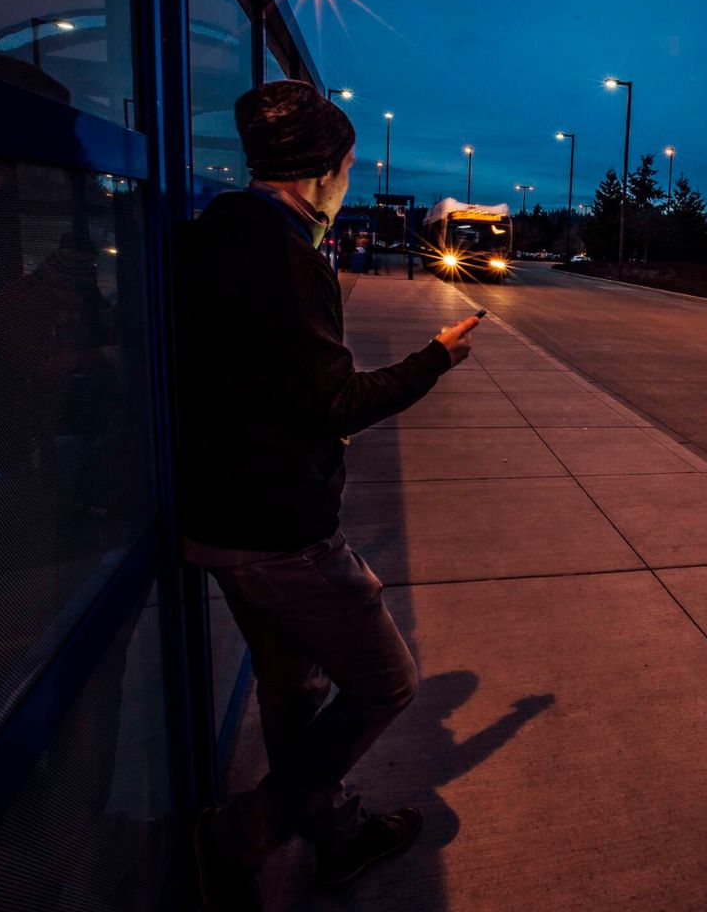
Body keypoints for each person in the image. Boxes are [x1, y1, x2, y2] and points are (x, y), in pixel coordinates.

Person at [174, 79, 480, 908]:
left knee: (292, 691)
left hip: (214, 521)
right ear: (319, 174)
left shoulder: (208, 238)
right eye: (346, 167)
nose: (348, 184)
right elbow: (337, 402)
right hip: (281, 531)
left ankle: (336, 834)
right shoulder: (286, 259)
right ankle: (242, 835)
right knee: (386, 682)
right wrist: (437, 358)